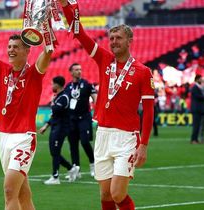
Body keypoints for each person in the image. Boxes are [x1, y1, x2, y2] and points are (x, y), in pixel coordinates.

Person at [58, 1, 155, 209]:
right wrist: (65, 5)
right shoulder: (104, 59)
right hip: (102, 134)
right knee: (105, 195)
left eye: (118, 38)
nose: (113, 42)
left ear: (130, 40)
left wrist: (144, 145)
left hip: (127, 138)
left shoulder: (143, 72)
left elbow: (148, 110)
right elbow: (80, 34)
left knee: (118, 193)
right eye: (111, 38)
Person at [0, 8, 52, 210]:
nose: (11, 50)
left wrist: (46, 29)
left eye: (16, 47)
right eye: (9, 46)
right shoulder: (3, 70)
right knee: (23, 195)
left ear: (27, 50)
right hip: (4, 137)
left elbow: (48, 52)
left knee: (9, 191)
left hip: (23, 138)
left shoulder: (34, 73)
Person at [39, 76, 78, 185]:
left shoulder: (64, 97)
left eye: (53, 84)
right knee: (54, 152)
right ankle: (71, 168)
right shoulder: (59, 97)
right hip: (56, 126)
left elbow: (57, 110)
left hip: (61, 128)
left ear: (57, 85)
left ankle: (55, 177)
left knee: (55, 152)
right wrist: (46, 126)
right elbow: (55, 114)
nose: (52, 86)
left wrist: (52, 103)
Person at [64, 63, 97, 177]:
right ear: (71, 72)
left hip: (84, 118)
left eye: (80, 69)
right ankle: (76, 168)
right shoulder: (68, 87)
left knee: (84, 141)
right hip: (71, 119)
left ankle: (93, 163)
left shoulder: (87, 84)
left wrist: (97, 112)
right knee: (73, 144)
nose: (79, 71)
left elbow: (95, 98)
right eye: (76, 69)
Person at [190, 75, 204, 144]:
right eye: (200, 79)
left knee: (198, 125)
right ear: (197, 79)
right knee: (196, 125)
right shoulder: (195, 87)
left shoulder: (198, 87)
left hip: (198, 109)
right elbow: (197, 96)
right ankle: (193, 139)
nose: (201, 80)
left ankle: (195, 139)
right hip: (196, 109)